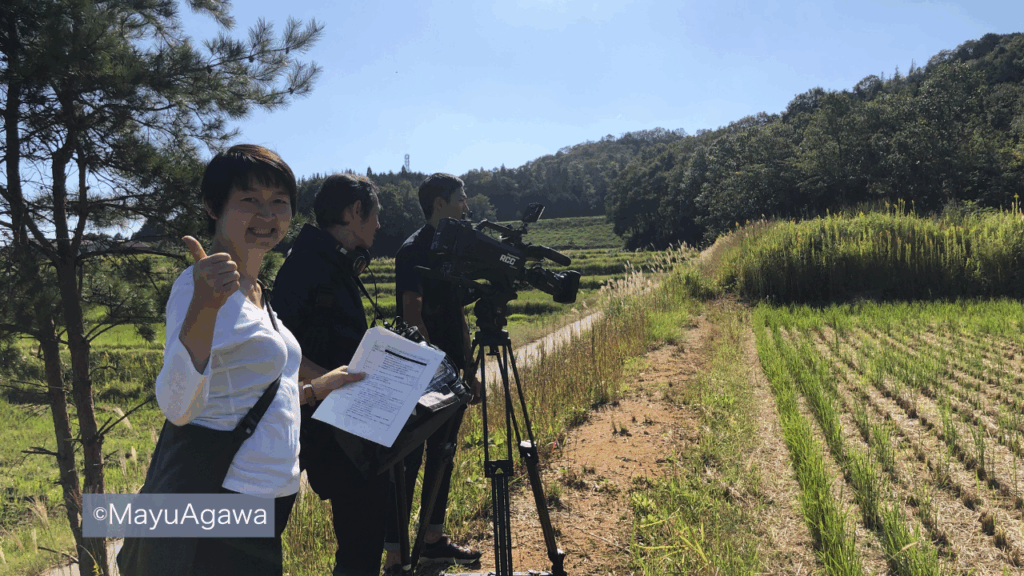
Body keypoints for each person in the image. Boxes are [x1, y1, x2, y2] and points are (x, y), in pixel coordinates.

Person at [152, 144, 363, 575]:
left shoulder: (256, 290)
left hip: (267, 494)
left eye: (279, 202)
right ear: (213, 206)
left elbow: (246, 391)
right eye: (249, 200)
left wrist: (313, 389)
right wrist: (204, 306)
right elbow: (176, 406)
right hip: (227, 495)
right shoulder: (198, 288)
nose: (267, 216)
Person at [270, 173, 387, 576]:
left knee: (364, 525)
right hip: (314, 417)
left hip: (336, 415)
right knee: (267, 530)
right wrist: (328, 380)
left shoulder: (335, 262)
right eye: (375, 215)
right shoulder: (306, 265)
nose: (379, 225)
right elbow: (280, 346)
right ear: (355, 212)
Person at [383, 173, 483, 571]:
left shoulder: (452, 250)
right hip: (421, 372)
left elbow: (458, 317)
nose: (466, 206)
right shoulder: (414, 250)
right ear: (439, 204)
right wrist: (438, 371)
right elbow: (412, 315)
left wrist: (468, 370)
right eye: (461, 198)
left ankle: (432, 540)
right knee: (407, 461)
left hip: (451, 371)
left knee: (444, 454)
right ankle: (396, 555)